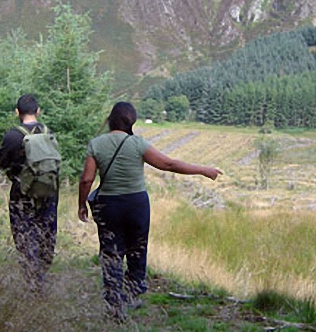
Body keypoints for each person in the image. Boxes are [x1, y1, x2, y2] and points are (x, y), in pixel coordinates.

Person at [78, 101, 222, 321]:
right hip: (137, 205)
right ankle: (133, 294)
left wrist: (81, 205)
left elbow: (87, 179)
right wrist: (204, 170)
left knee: (111, 252)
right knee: (137, 249)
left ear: (110, 119)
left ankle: (114, 304)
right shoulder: (138, 144)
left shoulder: (96, 144)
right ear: (131, 121)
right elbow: (169, 164)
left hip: (109, 206)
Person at [0, 94, 59, 291]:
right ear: (38, 111)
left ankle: (33, 281)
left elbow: (3, 164)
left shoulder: (12, 136)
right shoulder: (49, 132)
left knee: (24, 235)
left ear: (17, 112)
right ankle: (42, 272)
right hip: (49, 192)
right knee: (46, 233)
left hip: (21, 193)